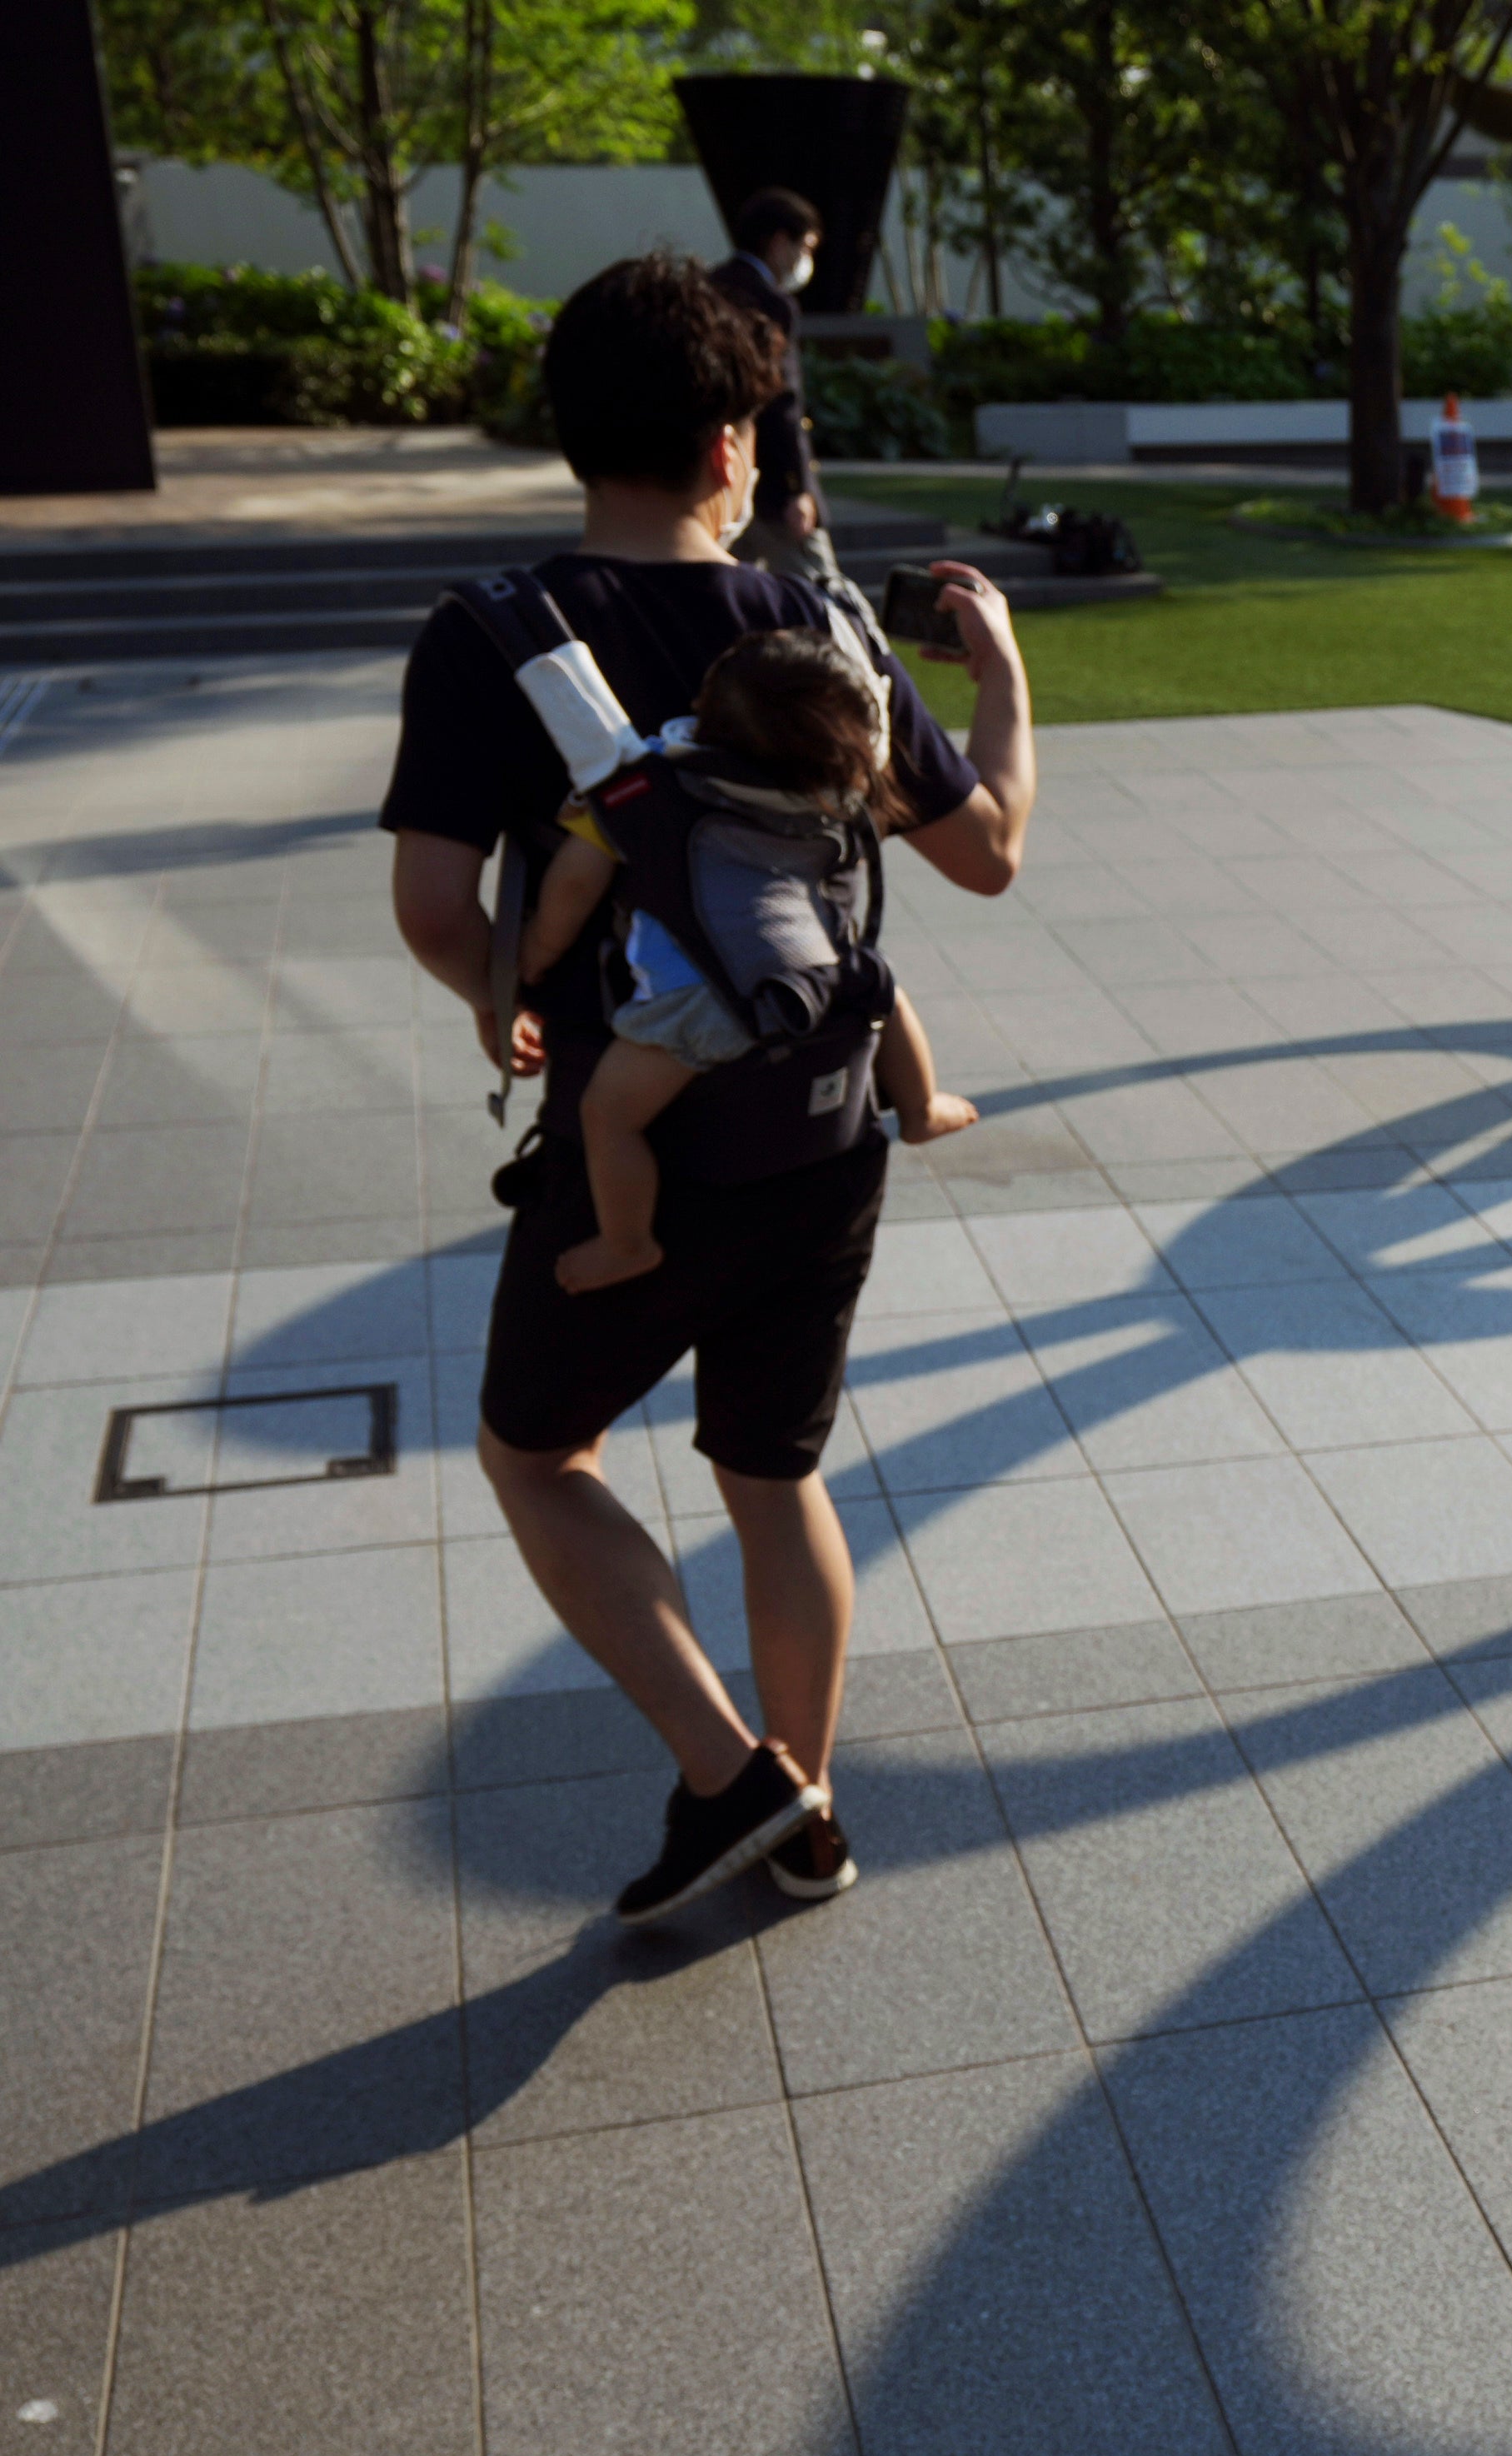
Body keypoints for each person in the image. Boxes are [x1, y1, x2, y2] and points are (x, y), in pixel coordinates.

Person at [383, 250, 1038, 1925]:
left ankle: (723, 1772)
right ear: (736, 441)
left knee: (541, 1453)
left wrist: (503, 1005)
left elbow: (438, 912)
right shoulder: (817, 626)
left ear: (570, 435)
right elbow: (986, 856)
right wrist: (1003, 673)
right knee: (774, 1474)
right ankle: (804, 1816)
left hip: (644, 1149)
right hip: (826, 1141)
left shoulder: (489, 638)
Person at [526, 626, 983, 1296]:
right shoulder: (838, 791)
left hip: (702, 997)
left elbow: (572, 888)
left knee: (608, 1116)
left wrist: (536, 954)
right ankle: (921, 1107)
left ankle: (627, 1244)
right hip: (826, 971)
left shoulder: (643, 793)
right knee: (885, 991)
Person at [708, 187, 834, 590]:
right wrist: (799, 488)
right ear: (780, 243)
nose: (806, 261)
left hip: (712, 479)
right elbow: (783, 403)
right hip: (770, 486)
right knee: (820, 597)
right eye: (806, 247)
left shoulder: (704, 290)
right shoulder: (770, 303)